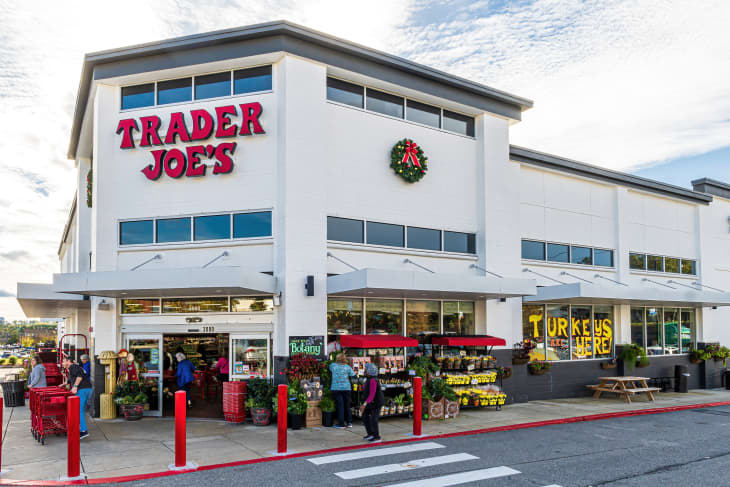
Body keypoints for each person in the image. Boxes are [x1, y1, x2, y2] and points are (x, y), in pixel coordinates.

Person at [62, 356, 92, 439]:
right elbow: (71, 379)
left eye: (63, 361)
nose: (62, 363)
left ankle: (83, 431)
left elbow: (79, 376)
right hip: (87, 389)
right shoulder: (75, 367)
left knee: (79, 411)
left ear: (68, 361)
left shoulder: (72, 367)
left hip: (82, 390)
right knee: (81, 410)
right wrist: (63, 384)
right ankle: (81, 430)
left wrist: (75, 386)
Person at [328, 353, 355, 429]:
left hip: (336, 388)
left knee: (340, 406)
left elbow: (329, 368)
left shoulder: (333, 366)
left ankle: (341, 424)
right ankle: (349, 422)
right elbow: (353, 375)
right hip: (347, 388)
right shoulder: (348, 367)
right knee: (347, 405)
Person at [360, 363, 384, 442]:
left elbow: (372, 394)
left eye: (366, 370)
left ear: (370, 371)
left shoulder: (373, 380)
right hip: (370, 402)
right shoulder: (368, 379)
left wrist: (364, 404)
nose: (364, 371)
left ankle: (376, 436)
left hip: (376, 402)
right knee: (365, 416)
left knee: (374, 419)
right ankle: (370, 434)